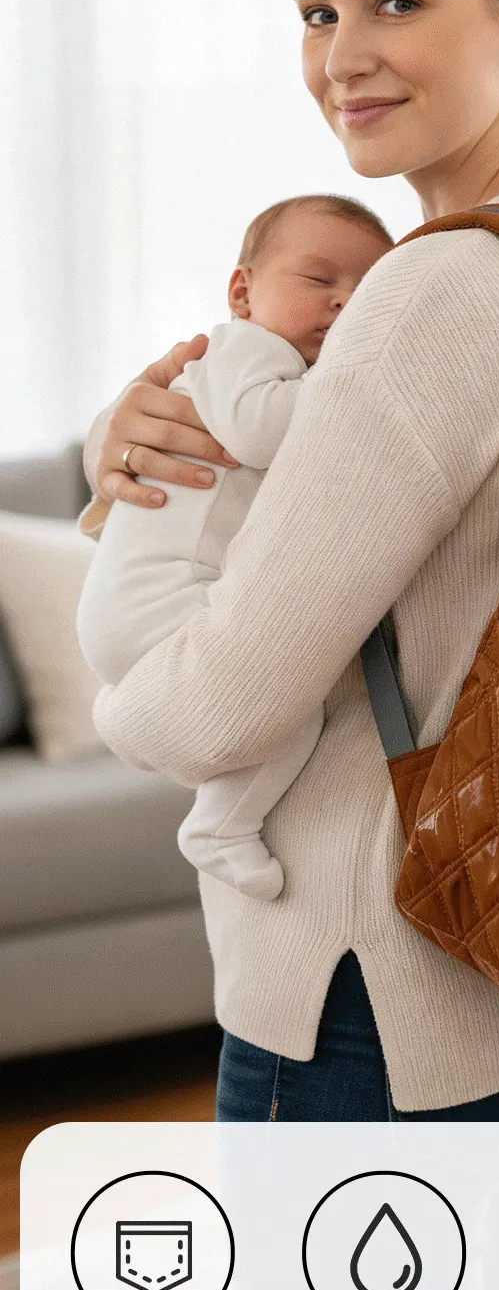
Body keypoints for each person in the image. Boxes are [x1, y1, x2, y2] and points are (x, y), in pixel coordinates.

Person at [78, 0, 499, 1128]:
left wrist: (118, 709)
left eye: (396, 2)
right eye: (316, 11)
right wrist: (135, 458)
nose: (342, 58)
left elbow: (220, 711)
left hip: (366, 986)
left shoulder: (428, 297)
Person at [78, 186, 390, 901]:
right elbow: (259, 430)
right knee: (282, 698)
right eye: (318, 280)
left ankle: (219, 822)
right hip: (158, 601)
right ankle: (220, 826)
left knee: (286, 705)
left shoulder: (279, 366)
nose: (344, 302)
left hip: (148, 603)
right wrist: (364, 385)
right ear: (242, 292)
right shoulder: (241, 350)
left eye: (367, 291)